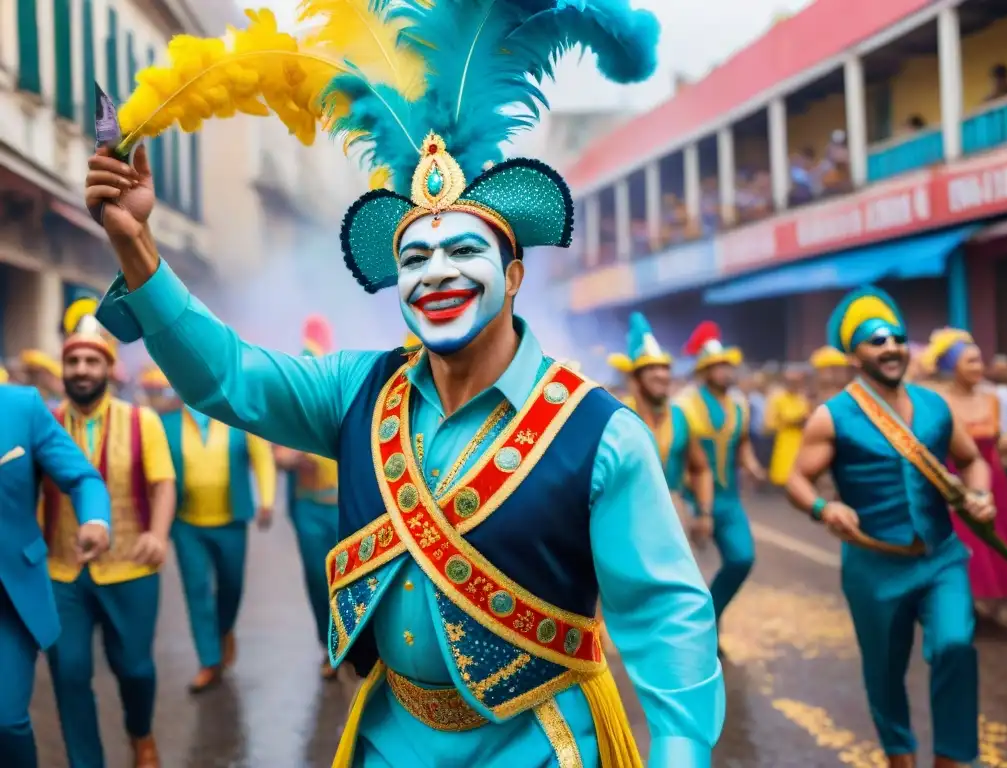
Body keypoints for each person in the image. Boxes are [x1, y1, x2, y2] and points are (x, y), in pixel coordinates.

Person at [84, 2, 724, 765]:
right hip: (389, 741)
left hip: (542, 746)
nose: (436, 274)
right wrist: (136, 245)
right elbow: (228, 376)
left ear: (515, 276)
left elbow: (666, 615)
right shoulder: (356, 390)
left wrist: (679, 752)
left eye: (464, 250)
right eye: (414, 259)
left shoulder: (600, 434)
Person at [786, 287, 995, 768]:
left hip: (941, 558)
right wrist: (823, 508)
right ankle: (900, 758)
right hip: (874, 567)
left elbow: (972, 460)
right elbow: (797, 478)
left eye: (898, 338)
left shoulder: (936, 406)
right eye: (877, 341)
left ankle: (950, 759)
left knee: (955, 646)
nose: (891, 347)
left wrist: (980, 496)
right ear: (855, 355)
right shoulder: (832, 416)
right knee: (884, 672)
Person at [43, 300, 177, 768]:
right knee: (68, 672)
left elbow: (163, 484)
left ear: (108, 368)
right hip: (61, 571)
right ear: (64, 368)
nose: (82, 369)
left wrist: (158, 536)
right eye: (74, 361)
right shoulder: (45, 423)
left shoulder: (143, 421)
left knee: (135, 669)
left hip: (131, 566)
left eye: (91, 361)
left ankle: (141, 732)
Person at [142, 364, 276, 693]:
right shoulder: (165, 424)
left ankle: (224, 628)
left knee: (232, 587)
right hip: (187, 524)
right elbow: (154, 472)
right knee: (197, 590)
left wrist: (267, 500)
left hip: (231, 521)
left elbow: (261, 456)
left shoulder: (238, 418)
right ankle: (209, 660)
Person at [0, 384, 111, 768]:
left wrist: (94, 520)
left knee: (6, 720)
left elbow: (82, 478)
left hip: (8, 595)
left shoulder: (21, 407)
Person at [920, 329, 1007, 609]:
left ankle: (992, 603)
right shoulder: (937, 402)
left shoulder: (992, 400)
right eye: (970, 361)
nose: (978, 367)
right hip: (953, 483)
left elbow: (999, 442)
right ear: (952, 366)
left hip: (994, 483)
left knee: (1000, 541)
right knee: (964, 544)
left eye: (980, 360)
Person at [678, 322, 766, 620]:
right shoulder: (684, 405)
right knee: (684, 576)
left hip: (729, 499)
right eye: (719, 366)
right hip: (690, 499)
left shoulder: (740, 403)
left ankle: (709, 618)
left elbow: (742, 442)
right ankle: (689, 634)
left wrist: (752, 466)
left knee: (742, 558)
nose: (727, 371)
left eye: (728, 365)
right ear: (705, 371)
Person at [275, 316, 340, 680]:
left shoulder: (344, 397)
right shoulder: (291, 409)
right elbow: (279, 456)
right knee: (318, 578)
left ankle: (357, 644)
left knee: (352, 579)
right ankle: (329, 646)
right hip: (309, 508)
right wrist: (299, 452)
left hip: (345, 507)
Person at [607, 312, 714, 527]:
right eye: (651, 368)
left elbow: (700, 468)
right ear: (635, 378)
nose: (662, 375)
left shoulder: (680, 416)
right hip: (627, 515)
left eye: (665, 368)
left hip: (674, 514)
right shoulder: (616, 416)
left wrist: (704, 514)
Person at [764, 366, 810, 487]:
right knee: (783, 471)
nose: (794, 384)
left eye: (797, 382)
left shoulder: (802, 398)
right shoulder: (778, 399)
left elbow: (806, 415)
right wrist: (793, 420)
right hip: (783, 439)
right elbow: (770, 424)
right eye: (791, 381)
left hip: (800, 440)